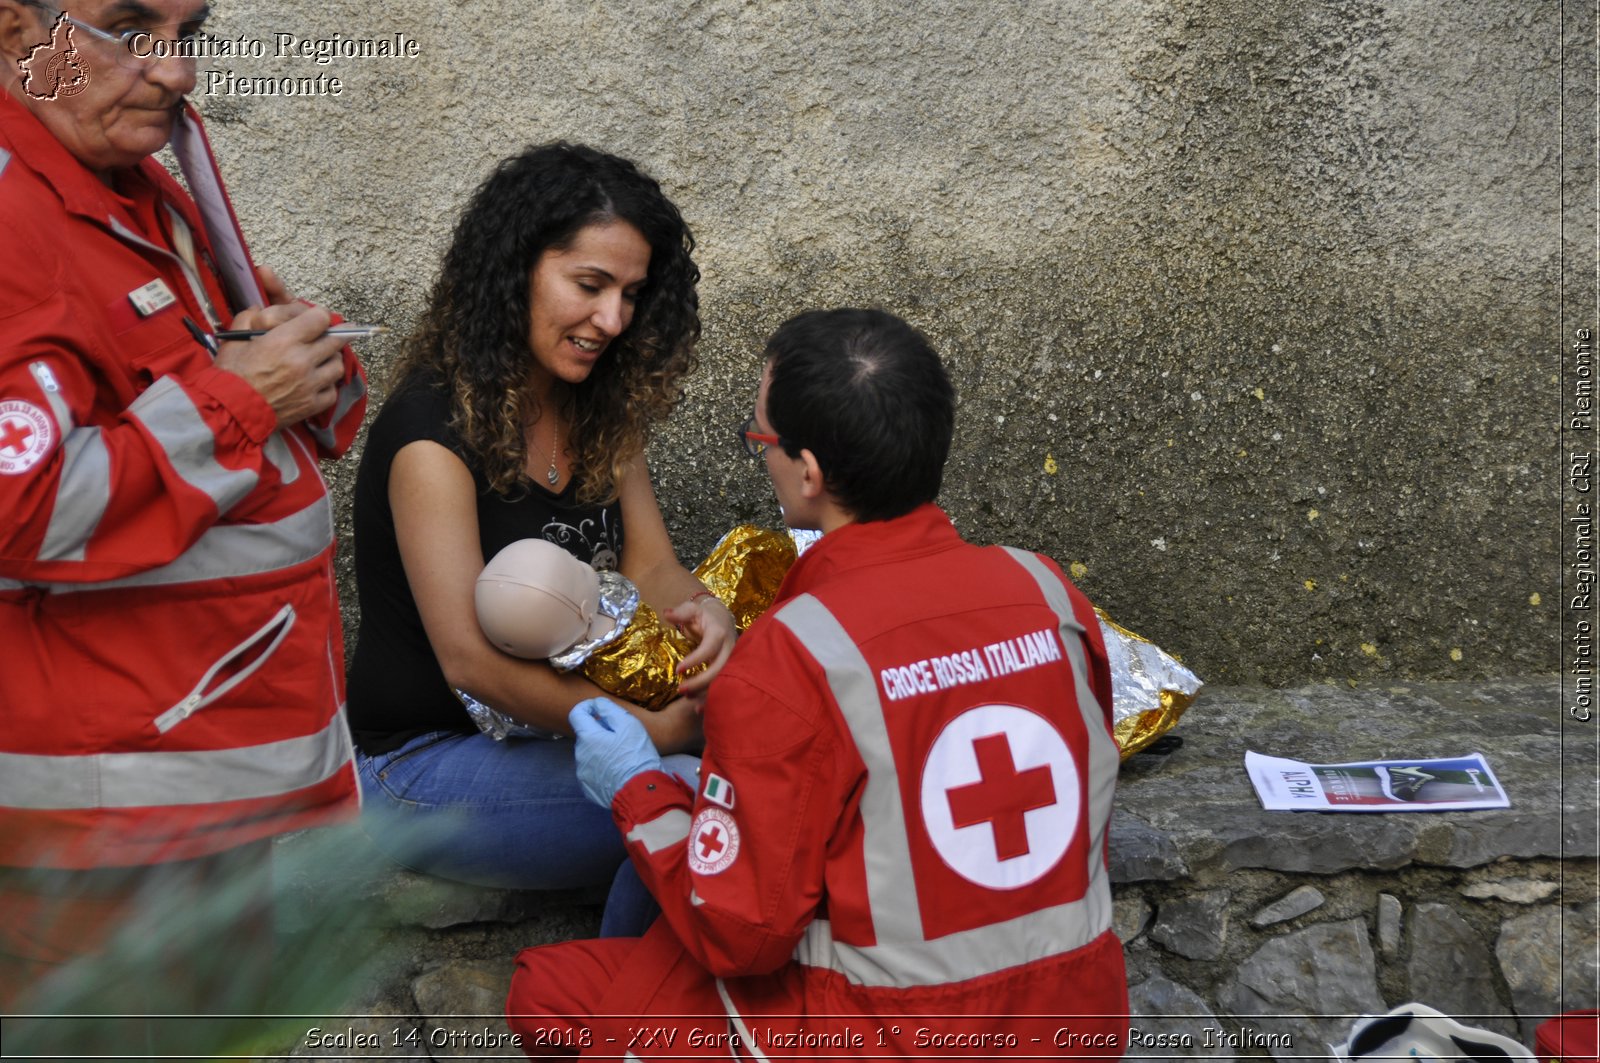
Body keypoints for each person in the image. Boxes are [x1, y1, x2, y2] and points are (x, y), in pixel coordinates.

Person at [506, 309, 1129, 1058]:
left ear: (809, 474)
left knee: (547, 991)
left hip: (896, 1033)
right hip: (1077, 1019)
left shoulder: (798, 652)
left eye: (759, 438)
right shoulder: (1049, 591)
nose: (758, 452)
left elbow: (740, 934)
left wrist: (638, 785)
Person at [0, 0, 366, 1014]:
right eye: (127, 28)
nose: (177, 75)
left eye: (188, 35)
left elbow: (203, 389)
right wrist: (247, 396)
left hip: (196, 798)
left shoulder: (128, 177)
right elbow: (19, 512)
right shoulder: (13, 212)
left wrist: (297, 366)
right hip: (98, 838)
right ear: (12, 32)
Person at [345, 143, 735, 906]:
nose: (612, 319)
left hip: (561, 729)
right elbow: (470, 663)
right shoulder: (430, 434)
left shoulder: (597, 406)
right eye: (589, 285)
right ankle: (628, 1020)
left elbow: (653, 568)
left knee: (731, 788)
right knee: (696, 806)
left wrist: (710, 610)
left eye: (631, 293)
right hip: (424, 765)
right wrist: (640, 728)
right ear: (514, 270)